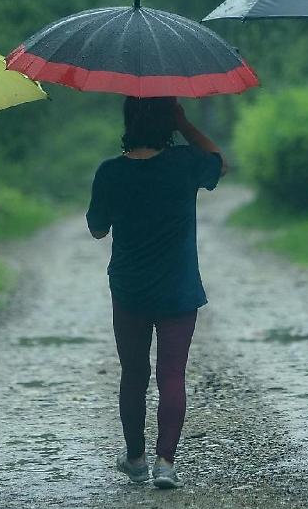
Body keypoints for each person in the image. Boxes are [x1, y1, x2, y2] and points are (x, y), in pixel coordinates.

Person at [86, 97, 227, 489]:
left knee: (133, 373)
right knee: (171, 374)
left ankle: (135, 458)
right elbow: (219, 161)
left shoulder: (110, 172)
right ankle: (166, 462)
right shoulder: (185, 162)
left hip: (129, 287)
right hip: (179, 287)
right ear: (169, 120)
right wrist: (184, 122)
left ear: (127, 120)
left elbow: (97, 229)